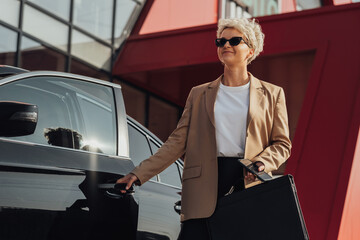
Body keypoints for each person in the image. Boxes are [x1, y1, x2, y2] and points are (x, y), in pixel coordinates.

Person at [116, 18, 291, 239]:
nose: (226, 45)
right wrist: (138, 173)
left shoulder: (273, 94)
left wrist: (263, 161)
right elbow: (177, 142)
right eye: (221, 41)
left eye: (235, 40)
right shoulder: (199, 94)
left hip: (248, 182)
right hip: (203, 185)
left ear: (250, 50)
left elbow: (282, 144)